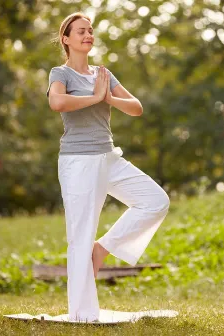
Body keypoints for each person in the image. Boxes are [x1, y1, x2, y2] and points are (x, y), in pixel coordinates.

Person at [46, 12, 170, 323]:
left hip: (109, 157)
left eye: (90, 31)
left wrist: (108, 97)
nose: (88, 35)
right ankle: (82, 313)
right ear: (66, 39)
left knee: (155, 202)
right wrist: (95, 97)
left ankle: (103, 249)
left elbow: (136, 107)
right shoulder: (59, 73)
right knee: (80, 235)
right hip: (78, 161)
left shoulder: (103, 73)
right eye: (80, 31)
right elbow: (57, 103)